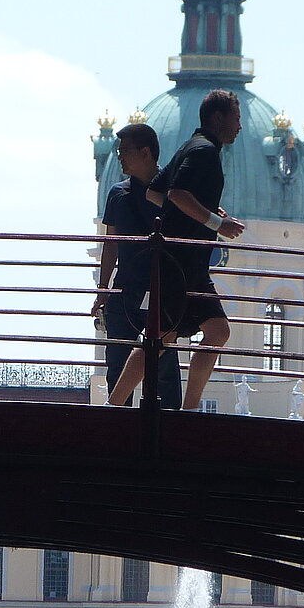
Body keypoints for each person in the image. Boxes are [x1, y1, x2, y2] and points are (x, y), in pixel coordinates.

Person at [107, 89, 246, 410]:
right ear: (218, 117)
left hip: (184, 265)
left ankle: (183, 408)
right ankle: (121, 408)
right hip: (182, 266)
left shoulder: (189, 146)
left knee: (201, 334)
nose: (239, 126)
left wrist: (210, 209)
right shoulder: (205, 152)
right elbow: (179, 194)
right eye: (236, 119)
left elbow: (157, 193)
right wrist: (216, 222)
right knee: (162, 340)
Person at [93, 121, 182, 406]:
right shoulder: (118, 193)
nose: (119, 156)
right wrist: (103, 289)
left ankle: (166, 429)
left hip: (162, 293)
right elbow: (111, 245)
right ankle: (121, 430)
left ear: (145, 152)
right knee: (118, 367)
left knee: (165, 371)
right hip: (126, 293)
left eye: (124, 151)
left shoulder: (174, 192)